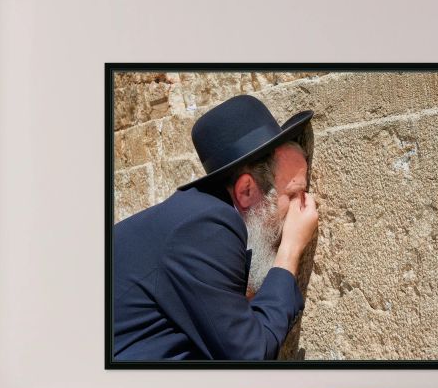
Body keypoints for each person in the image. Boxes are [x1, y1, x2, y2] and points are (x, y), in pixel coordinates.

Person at [111, 94, 319, 361]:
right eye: (293, 194)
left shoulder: (194, 215)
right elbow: (250, 356)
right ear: (246, 190)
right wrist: (290, 250)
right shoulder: (208, 227)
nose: (301, 206)